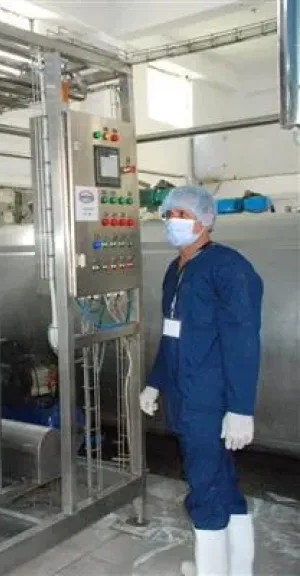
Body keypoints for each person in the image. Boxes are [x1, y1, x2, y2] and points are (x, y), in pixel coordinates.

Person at [139, 186, 263, 576]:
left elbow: (243, 341)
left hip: (210, 398)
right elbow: (170, 334)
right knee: (221, 482)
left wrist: (240, 408)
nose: (171, 221)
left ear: (204, 220)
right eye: (168, 214)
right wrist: (155, 381)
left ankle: (212, 570)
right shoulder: (175, 269)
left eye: (181, 214)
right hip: (184, 393)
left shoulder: (228, 268)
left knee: (204, 486)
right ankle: (235, 568)